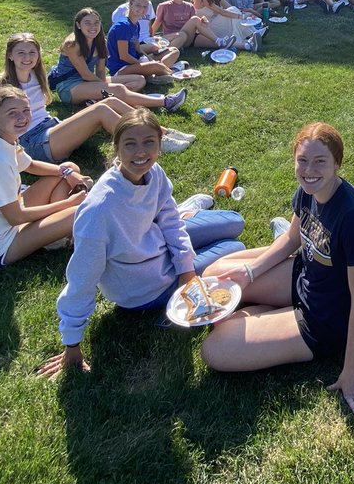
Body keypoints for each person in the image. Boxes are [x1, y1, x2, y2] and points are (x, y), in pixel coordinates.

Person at [39, 110, 245, 376]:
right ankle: (187, 223)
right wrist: (72, 344)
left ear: (160, 144)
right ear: (116, 148)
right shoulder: (99, 210)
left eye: (149, 142)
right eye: (130, 144)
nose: (140, 152)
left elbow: (170, 220)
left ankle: (188, 212)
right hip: (145, 287)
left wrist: (186, 268)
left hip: (157, 243)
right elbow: (81, 279)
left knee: (234, 221)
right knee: (235, 248)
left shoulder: (154, 172)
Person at [199, 122, 354, 419]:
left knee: (214, 349)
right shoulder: (307, 190)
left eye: (320, 161)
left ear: (337, 163)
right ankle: (260, 313)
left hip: (324, 320)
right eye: (302, 160)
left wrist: (351, 372)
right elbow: (292, 239)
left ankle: (262, 316)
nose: (309, 170)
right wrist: (250, 273)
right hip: (303, 276)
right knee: (213, 276)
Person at [0, 33, 194, 163]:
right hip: (32, 143)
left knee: (108, 101)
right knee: (101, 110)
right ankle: (151, 143)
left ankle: (162, 132)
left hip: (51, 128)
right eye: (21, 53)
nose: (27, 58)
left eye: (32, 53)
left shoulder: (35, 75)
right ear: (10, 55)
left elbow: (45, 105)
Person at [0, 85, 89, 266]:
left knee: (68, 168)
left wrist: (67, 172)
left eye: (26, 110)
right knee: (80, 211)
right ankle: (57, 233)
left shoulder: (0, 137)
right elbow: (15, 217)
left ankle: (56, 232)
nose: (23, 118)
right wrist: (67, 204)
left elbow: (30, 165)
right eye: (12, 113)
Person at [49, 8, 189, 113]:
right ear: (78, 25)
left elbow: (100, 70)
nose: (93, 27)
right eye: (87, 23)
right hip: (69, 86)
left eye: (96, 23)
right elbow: (85, 74)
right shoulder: (72, 44)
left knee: (139, 80)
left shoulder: (101, 42)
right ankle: (166, 101)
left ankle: (98, 100)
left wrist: (103, 86)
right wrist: (106, 87)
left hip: (90, 81)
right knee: (117, 89)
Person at [108, 0, 183, 78]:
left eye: (145, 6)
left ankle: (159, 72)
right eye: (138, 5)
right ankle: (172, 73)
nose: (141, 9)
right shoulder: (123, 26)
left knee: (174, 50)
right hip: (121, 68)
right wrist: (146, 64)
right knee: (155, 66)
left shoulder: (136, 24)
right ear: (130, 5)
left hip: (134, 62)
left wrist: (149, 60)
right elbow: (124, 56)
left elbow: (138, 49)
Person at [191, 0, 263, 50]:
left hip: (215, 22)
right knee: (233, 14)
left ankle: (253, 34)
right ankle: (250, 37)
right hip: (207, 28)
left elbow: (228, 6)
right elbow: (222, 12)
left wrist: (243, 13)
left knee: (233, 10)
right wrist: (241, 16)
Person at [151, 0, 221, 51]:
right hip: (172, 38)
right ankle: (170, 49)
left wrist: (203, 23)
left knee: (216, 44)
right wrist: (149, 38)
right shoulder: (164, 6)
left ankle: (222, 42)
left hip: (188, 37)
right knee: (194, 21)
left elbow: (195, 27)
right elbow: (157, 23)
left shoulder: (190, 6)